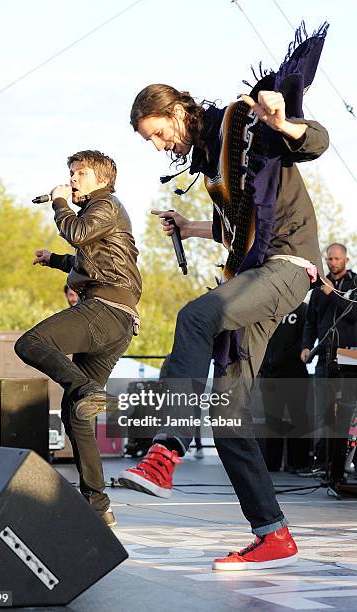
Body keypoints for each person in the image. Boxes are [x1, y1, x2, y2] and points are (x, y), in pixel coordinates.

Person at [118, 23, 329, 570]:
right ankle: (273, 533)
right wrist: (192, 228)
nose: (161, 146)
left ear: (180, 113)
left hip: (288, 267)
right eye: (152, 142)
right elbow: (242, 226)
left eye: (160, 134)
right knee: (229, 415)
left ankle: (167, 449)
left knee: (193, 318)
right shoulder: (216, 162)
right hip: (256, 275)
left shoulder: (242, 125)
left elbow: (316, 142)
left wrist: (285, 121)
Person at [15, 150, 142, 527]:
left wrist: (57, 202)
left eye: (79, 173)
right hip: (118, 318)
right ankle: (98, 505)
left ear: (101, 179)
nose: (72, 179)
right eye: (70, 173)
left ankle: (86, 388)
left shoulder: (104, 205)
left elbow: (78, 234)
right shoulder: (99, 213)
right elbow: (88, 259)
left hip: (105, 309)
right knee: (77, 414)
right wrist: (55, 259)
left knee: (30, 344)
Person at [300, 243, 357, 478]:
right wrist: (305, 345)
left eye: (337, 258)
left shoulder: (354, 284)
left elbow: (354, 314)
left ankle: (341, 464)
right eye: (330, 259)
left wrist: (331, 293)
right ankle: (323, 463)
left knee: (346, 411)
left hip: (351, 355)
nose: (333, 263)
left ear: (346, 259)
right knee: (323, 410)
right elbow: (310, 322)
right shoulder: (318, 290)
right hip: (325, 354)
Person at [259, 303, 312, 473]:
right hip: (270, 374)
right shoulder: (269, 308)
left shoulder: (303, 309)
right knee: (273, 420)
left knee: (298, 418)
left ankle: (299, 463)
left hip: (295, 373)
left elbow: (307, 338)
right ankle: (272, 464)